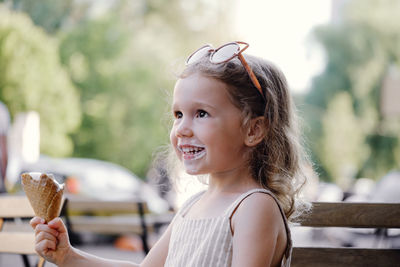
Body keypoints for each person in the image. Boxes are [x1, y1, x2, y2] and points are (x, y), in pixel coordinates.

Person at [30, 41, 311, 267]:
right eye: (178, 114)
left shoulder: (253, 207)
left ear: (254, 130)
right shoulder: (192, 207)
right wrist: (69, 257)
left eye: (201, 113)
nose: (182, 129)